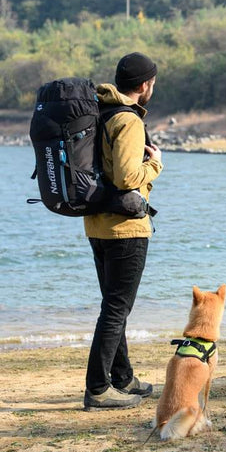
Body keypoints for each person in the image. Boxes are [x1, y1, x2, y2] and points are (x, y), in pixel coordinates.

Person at [83, 52, 164, 410]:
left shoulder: (100, 112)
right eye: (153, 83)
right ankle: (98, 388)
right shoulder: (128, 121)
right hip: (125, 230)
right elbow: (127, 178)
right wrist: (156, 164)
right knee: (117, 309)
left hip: (97, 224)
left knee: (115, 306)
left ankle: (123, 378)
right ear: (145, 85)